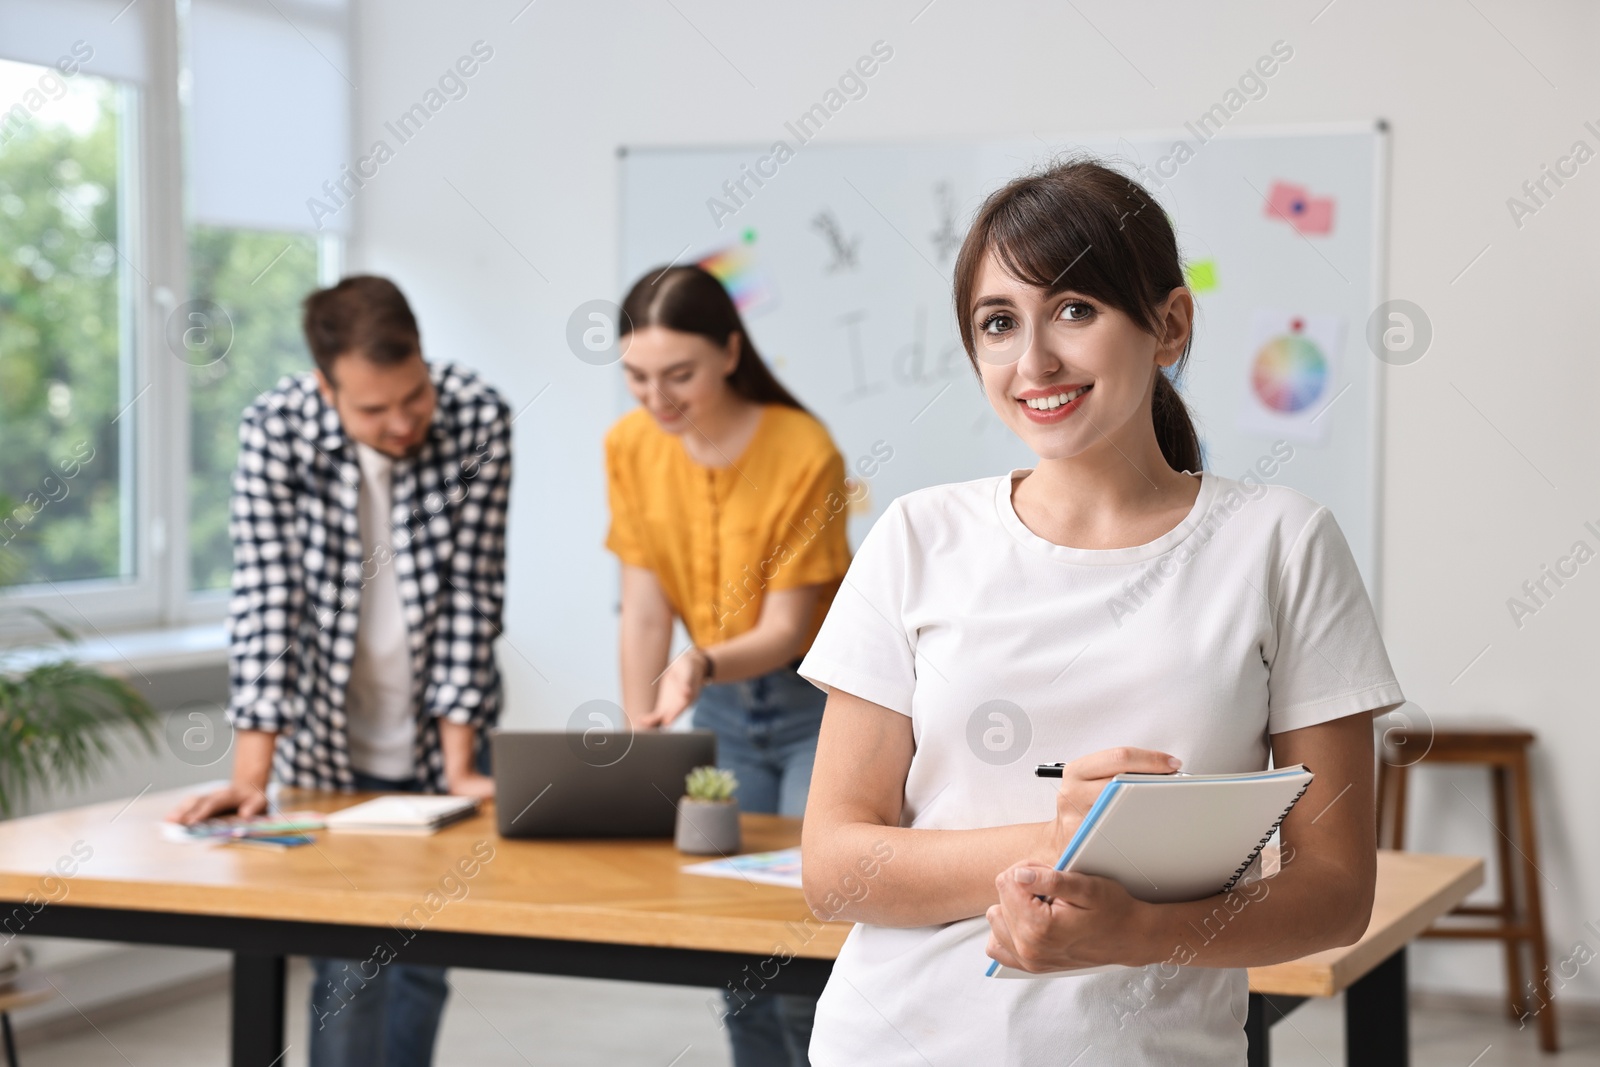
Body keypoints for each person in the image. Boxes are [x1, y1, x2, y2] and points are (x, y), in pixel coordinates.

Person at [797, 159, 1404, 1065]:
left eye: (1075, 310)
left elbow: (1338, 889)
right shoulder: (917, 536)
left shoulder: (1281, 544)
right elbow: (836, 869)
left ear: (1169, 323)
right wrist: (1060, 839)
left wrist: (1138, 929)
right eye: (999, 323)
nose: (1033, 361)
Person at [167, 275, 511, 1067]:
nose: (400, 422)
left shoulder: (478, 417)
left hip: (438, 733)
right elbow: (267, 600)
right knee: (352, 962)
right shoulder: (275, 428)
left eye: (412, 396)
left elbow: (473, 592)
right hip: (325, 742)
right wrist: (252, 773)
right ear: (326, 387)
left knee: (425, 958)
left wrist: (459, 764)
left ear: (424, 357)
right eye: (372, 409)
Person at [603, 265, 852, 1066]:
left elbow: (786, 630)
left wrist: (700, 661)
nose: (657, 398)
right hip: (714, 708)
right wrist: (644, 724)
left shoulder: (802, 447)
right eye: (637, 377)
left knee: (811, 927)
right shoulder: (631, 446)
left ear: (730, 353)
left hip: (818, 701)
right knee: (740, 947)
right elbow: (643, 607)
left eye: (678, 376)